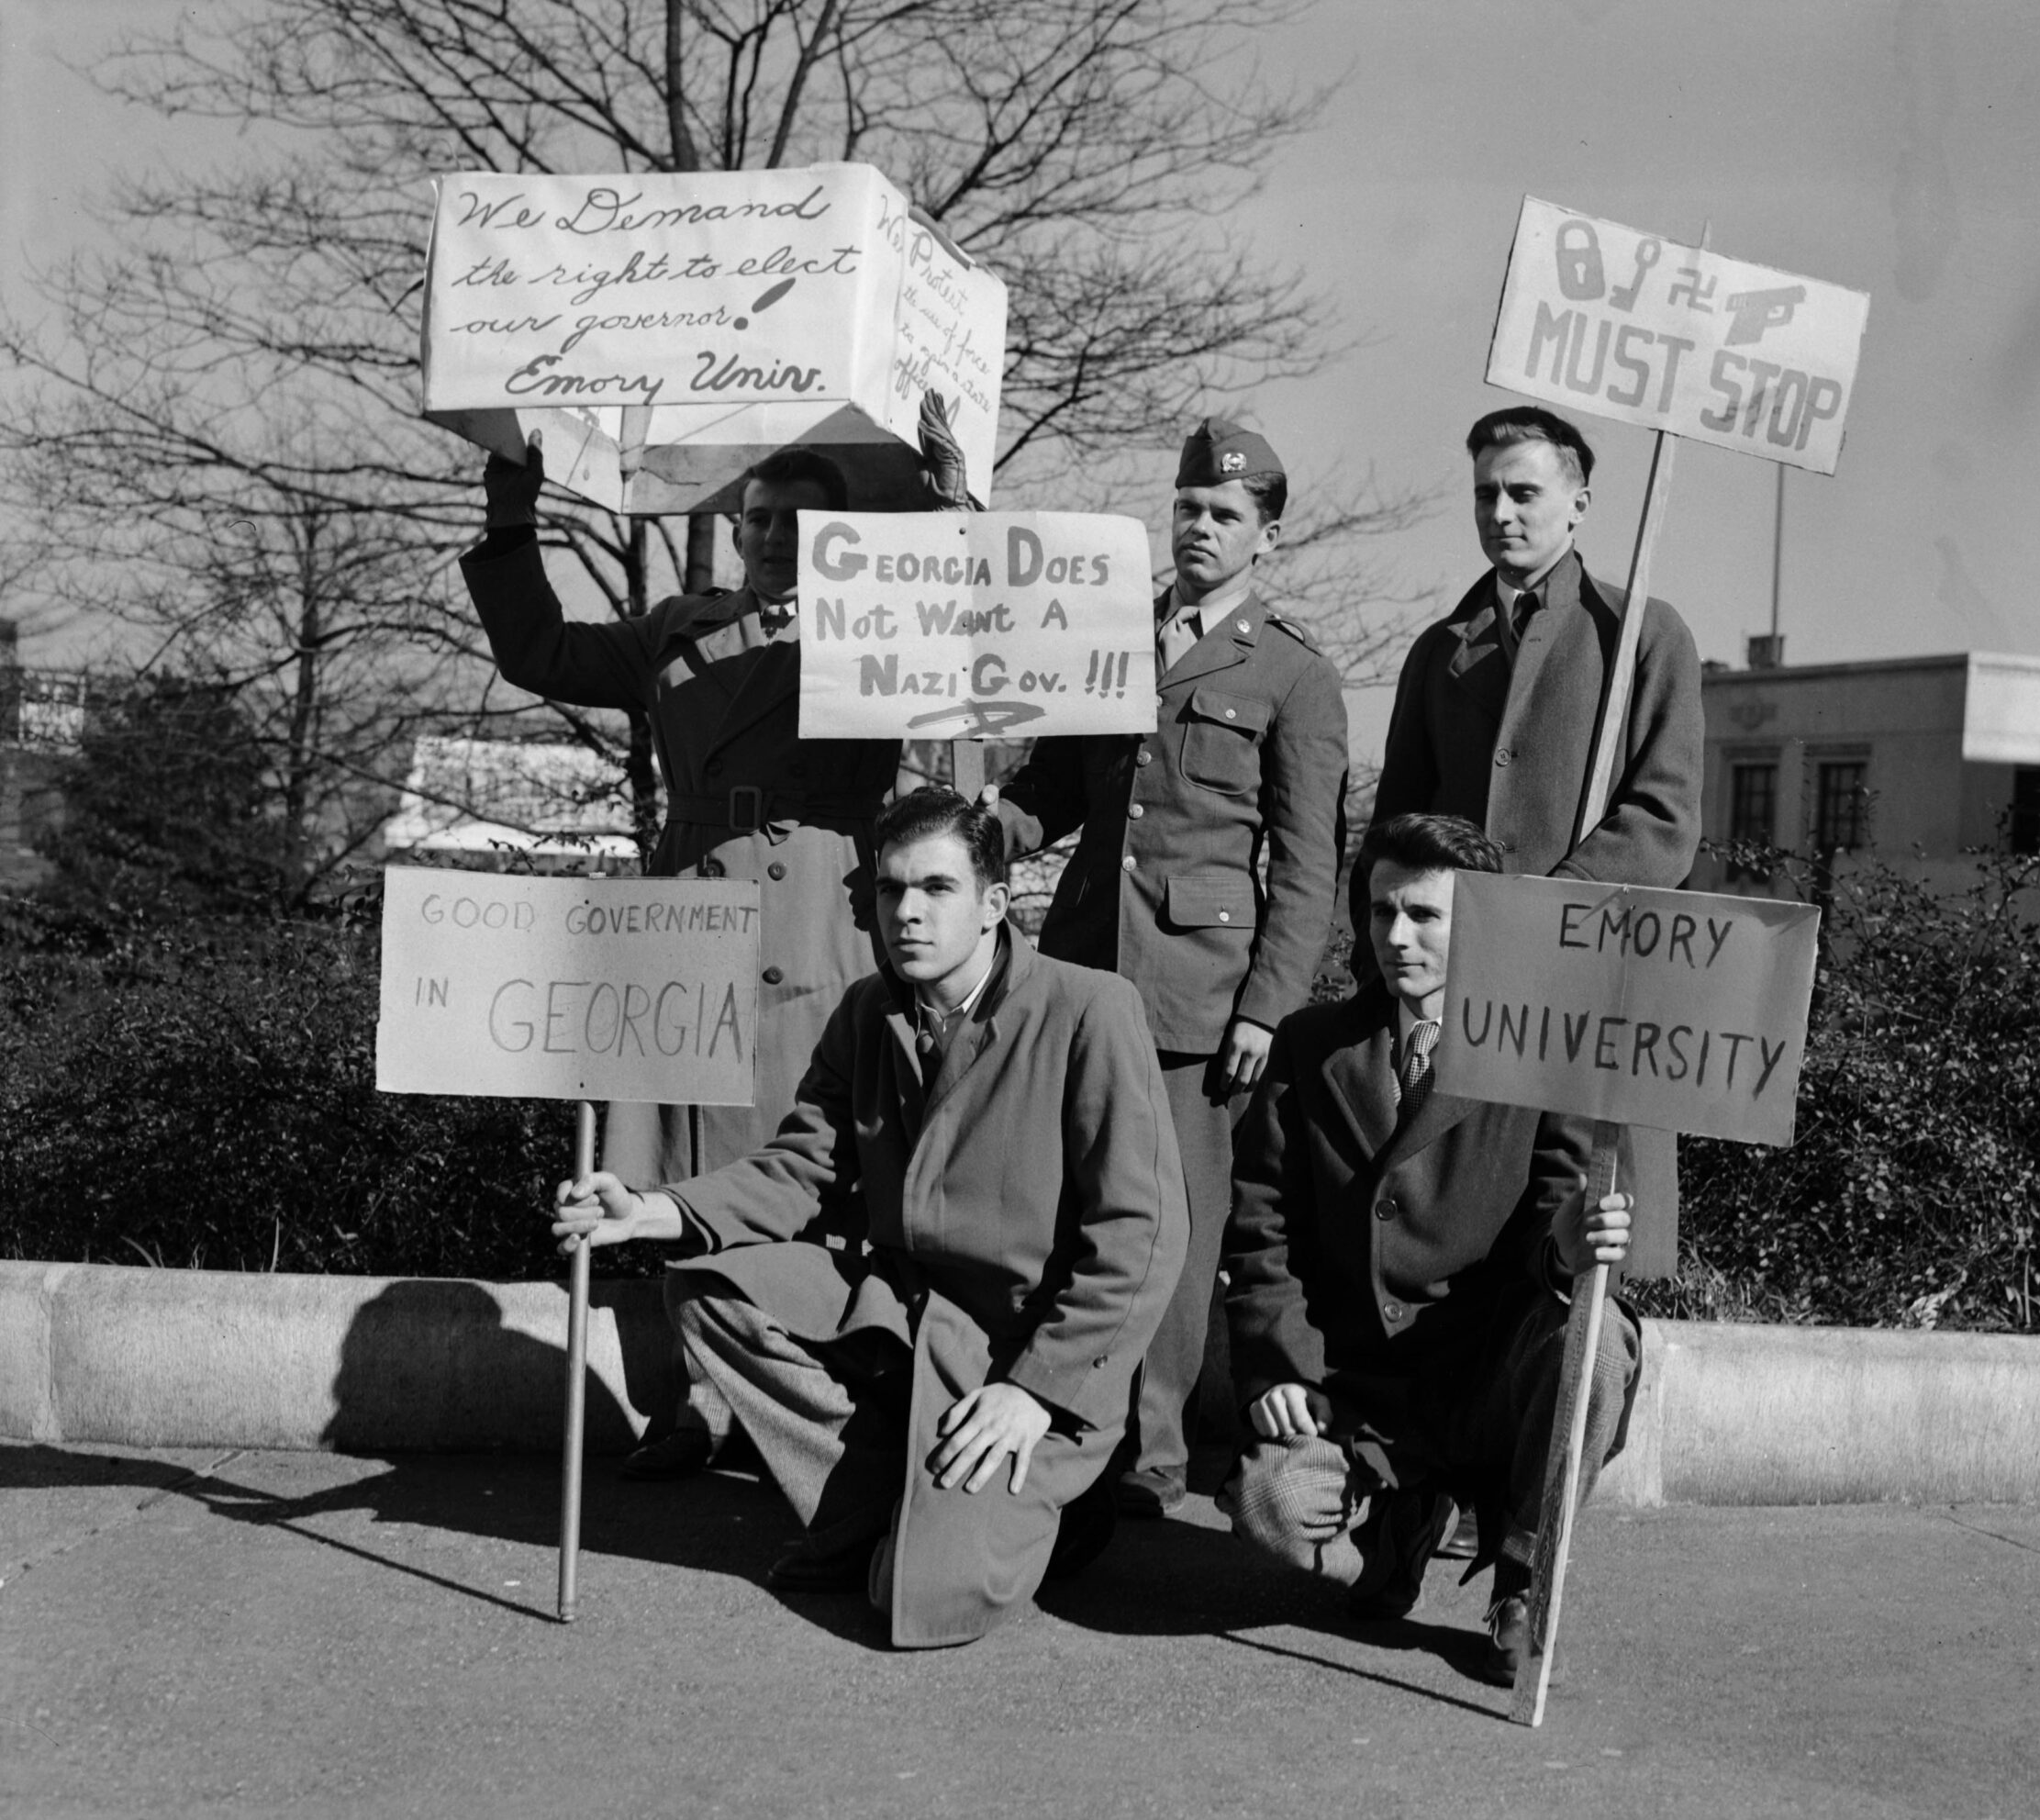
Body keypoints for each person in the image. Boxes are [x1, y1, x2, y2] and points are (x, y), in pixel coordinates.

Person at [552, 788, 1188, 1649]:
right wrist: (655, 1209)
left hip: (1020, 1355)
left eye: (936, 888)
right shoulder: (866, 1010)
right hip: (902, 1320)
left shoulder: (1089, 1008)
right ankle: (875, 1503)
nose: (908, 913)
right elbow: (799, 1169)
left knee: (918, 1601)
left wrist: (1037, 1392)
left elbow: (1141, 1236)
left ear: (995, 903)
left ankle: (1058, 1512)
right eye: (891, 891)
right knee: (709, 1291)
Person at [464, 402, 964, 1478]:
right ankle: (692, 1399)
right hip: (689, 908)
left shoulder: (880, 630)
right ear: (736, 529)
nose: (775, 540)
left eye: (799, 525)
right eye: (760, 519)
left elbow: (957, 710)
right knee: (684, 1155)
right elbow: (537, 650)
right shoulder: (679, 630)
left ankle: (803, 1379)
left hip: (816, 912)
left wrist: (949, 510)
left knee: (806, 1154)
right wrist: (515, 514)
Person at [989, 417, 1349, 1519]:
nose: (1199, 527)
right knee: (1064, 1204)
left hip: (1200, 992)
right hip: (1081, 969)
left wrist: (1267, 1008)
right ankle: (1058, 1420)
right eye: (1188, 507)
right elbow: (1051, 788)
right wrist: (971, 837)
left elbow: (1306, 861)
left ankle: (1146, 1460)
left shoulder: (1290, 674)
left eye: (1225, 515)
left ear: (1266, 538)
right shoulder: (1105, 636)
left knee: (1175, 1234)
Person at [1221, 812, 1639, 1686]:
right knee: (1271, 1503)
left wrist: (1565, 1244)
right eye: (1380, 912)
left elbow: (1555, 1217)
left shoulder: (1545, 1048)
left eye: (1424, 915)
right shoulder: (1309, 1045)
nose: (1394, 936)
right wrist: (1280, 1367)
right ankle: (1391, 1530)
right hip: (1361, 1387)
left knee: (1600, 1350)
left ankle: (1524, 1583)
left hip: (1486, 1374)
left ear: (1477, 921)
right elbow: (1262, 1226)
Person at [1370, 404, 1702, 1256]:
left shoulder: (1644, 636)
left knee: (1576, 1252)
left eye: (1523, 492)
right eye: (1485, 495)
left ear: (1580, 503)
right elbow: (1392, 831)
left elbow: (1664, 819)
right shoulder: (1438, 651)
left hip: (1587, 987)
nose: (1500, 514)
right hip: (1455, 993)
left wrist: (1547, 912)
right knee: (1449, 1244)